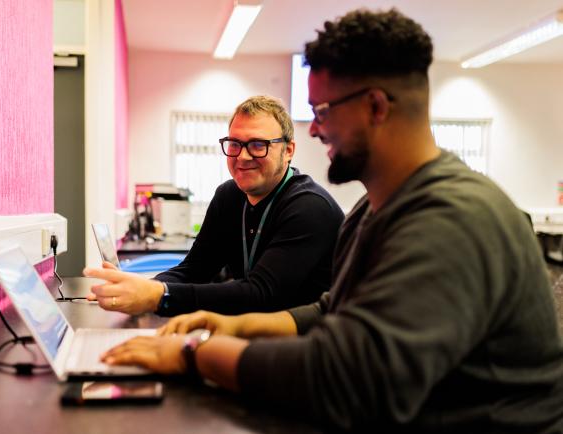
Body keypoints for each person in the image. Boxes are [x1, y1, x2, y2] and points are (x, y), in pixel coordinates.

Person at [96, 8, 563, 433]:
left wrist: (194, 354)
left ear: (377, 107)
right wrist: (237, 327)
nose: (314, 128)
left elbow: (347, 382)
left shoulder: (452, 218)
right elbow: (331, 309)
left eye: (322, 111)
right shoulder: (374, 206)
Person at [84, 95, 344, 316]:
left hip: (308, 349)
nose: (242, 156)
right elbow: (193, 270)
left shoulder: (309, 207)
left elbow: (262, 294)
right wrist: (140, 287)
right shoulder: (229, 196)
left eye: (257, 145)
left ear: (288, 150)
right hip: (254, 332)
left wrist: (158, 294)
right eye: (234, 144)